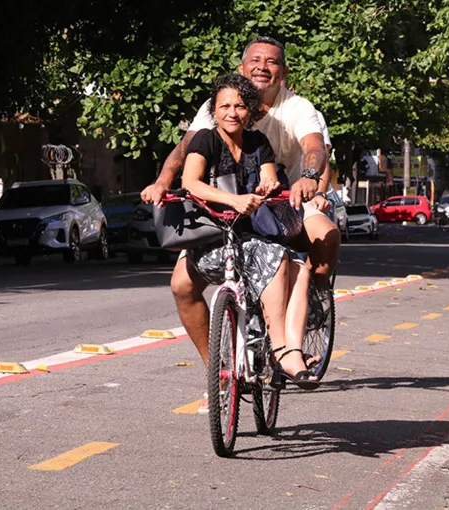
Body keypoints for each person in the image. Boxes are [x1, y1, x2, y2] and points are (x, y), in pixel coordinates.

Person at [141, 38, 339, 406]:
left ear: (284, 72)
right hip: (222, 215)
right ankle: (218, 371)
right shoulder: (209, 127)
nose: (263, 66)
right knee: (182, 285)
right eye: (255, 60)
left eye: (272, 61)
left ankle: (309, 310)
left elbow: (315, 149)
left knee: (319, 240)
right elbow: (184, 157)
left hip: (288, 200)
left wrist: (308, 178)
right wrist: (161, 183)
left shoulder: (294, 111)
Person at [180, 73, 318, 392]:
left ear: (251, 111)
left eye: (240, 106)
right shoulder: (205, 139)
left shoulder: (258, 143)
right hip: (212, 235)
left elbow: (269, 178)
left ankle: (282, 349)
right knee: (180, 285)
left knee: (290, 262)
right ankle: (220, 371)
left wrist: (267, 186)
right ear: (214, 110)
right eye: (224, 106)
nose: (232, 112)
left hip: (253, 235)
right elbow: (191, 182)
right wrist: (234, 199)